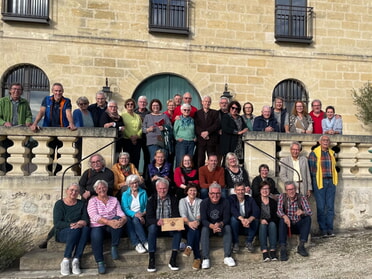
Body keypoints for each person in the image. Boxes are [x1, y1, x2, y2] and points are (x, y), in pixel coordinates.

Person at [87, 180, 127, 274]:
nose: (102, 189)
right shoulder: (92, 201)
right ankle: (100, 262)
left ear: (107, 188)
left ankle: (114, 247)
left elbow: (120, 213)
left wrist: (124, 219)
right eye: (99, 188)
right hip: (98, 225)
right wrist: (108, 222)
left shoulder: (114, 199)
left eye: (103, 187)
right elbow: (94, 216)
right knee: (96, 236)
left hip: (111, 226)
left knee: (118, 219)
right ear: (96, 191)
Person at [146, 178, 182, 272]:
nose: (162, 190)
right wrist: (156, 221)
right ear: (156, 188)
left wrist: (175, 224)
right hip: (157, 227)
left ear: (168, 188)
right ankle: (152, 258)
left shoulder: (173, 199)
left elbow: (176, 214)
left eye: (164, 188)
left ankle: (173, 258)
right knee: (152, 228)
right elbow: (148, 218)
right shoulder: (151, 199)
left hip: (169, 227)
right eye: (160, 188)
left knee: (178, 230)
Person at [53, 183, 90, 275]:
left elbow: (86, 219)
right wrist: (71, 224)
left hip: (79, 229)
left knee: (86, 229)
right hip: (62, 231)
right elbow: (57, 223)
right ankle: (66, 260)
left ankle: (76, 259)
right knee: (75, 230)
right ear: (67, 191)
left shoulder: (81, 204)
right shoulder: (59, 204)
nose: (74, 192)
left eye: (76, 191)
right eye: (71, 190)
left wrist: (82, 222)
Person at [200, 183, 236, 269]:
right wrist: (212, 226)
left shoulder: (225, 202)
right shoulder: (204, 203)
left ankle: (227, 256)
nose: (215, 195)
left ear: (220, 193)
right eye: (213, 193)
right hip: (209, 227)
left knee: (227, 227)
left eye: (217, 193)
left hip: (221, 227)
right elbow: (203, 220)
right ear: (209, 194)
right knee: (204, 229)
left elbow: (227, 218)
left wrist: (219, 224)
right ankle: (205, 258)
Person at [308, 135, 338, 237]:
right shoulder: (314, 153)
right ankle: (323, 229)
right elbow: (312, 171)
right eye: (324, 140)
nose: (326, 142)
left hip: (331, 181)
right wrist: (312, 186)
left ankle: (330, 228)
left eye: (327, 140)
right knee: (321, 207)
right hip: (319, 182)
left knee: (330, 207)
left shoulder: (332, 153)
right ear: (320, 142)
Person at [277, 181, 312, 261]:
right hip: (288, 224)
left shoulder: (301, 197)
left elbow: (309, 211)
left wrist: (302, 212)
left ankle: (301, 245)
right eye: (289, 190)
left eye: (292, 189)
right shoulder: (282, 197)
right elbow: (279, 211)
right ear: (286, 191)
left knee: (307, 218)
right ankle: (283, 248)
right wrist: (284, 216)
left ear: (295, 189)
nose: (291, 191)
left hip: (298, 223)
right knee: (282, 221)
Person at [121, 174, 148, 254]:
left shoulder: (143, 192)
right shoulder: (125, 194)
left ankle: (144, 243)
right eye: (132, 183)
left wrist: (142, 214)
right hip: (129, 214)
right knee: (129, 221)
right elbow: (125, 208)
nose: (135, 185)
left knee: (136, 220)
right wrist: (135, 214)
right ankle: (138, 243)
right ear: (129, 184)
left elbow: (147, 206)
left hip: (141, 214)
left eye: (136, 182)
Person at [229, 184, 259, 254]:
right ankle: (235, 243)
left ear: (245, 190)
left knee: (256, 220)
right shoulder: (231, 199)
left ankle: (249, 242)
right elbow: (233, 210)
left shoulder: (250, 199)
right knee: (233, 219)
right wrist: (242, 219)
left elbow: (256, 211)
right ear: (235, 191)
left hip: (247, 226)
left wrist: (248, 220)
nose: (240, 192)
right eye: (238, 190)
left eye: (242, 189)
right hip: (236, 226)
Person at [178, 183, 202, 270]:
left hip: (196, 224)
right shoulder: (182, 201)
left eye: (194, 190)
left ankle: (189, 247)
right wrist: (189, 223)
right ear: (187, 192)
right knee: (194, 231)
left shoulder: (200, 201)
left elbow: (199, 215)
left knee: (195, 230)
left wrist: (197, 222)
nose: (193, 192)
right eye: (191, 190)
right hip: (186, 226)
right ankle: (197, 258)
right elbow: (183, 215)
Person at [254, 181, 280, 262]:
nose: (265, 191)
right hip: (259, 223)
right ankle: (264, 252)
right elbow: (253, 214)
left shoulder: (273, 202)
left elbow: (276, 217)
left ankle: (273, 251)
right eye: (263, 189)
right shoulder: (255, 201)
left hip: (271, 221)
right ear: (260, 190)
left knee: (272, 224)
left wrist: (267, 220)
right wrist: (261, 220)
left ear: (269, 190)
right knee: (262, 225)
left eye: (267, 189)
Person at [194, 95, 220, 168]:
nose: (207, 103)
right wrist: (202, 133)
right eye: (205, 101)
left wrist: (208, 132)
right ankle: (200, 177)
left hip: (211, 139)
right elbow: (196, 125)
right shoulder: (197, 113)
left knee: (212, 160)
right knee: (200, 160)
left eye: (209, 102)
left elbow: (216, 125)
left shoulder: (215, 113)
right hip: (201, 140)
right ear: (202, 102)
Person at [121, 98, 142, 168]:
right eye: (128, 104)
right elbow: (123, 128)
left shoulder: (138, 116)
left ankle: (135, 175)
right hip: (127, 140)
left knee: (136, 159)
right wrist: (131, 137)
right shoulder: (123, 116)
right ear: (125, 106)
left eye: (132, 104)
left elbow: (141, 127)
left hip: (137, 140)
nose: (130, 105)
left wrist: (137, 136)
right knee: (127, 159)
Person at [174, 103, 196, 167]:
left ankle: (188, 176)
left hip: (191, 142)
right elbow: (174, 131)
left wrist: (195, 137)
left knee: (190, 161)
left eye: (188, 110)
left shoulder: (192, 120)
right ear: (181, 111)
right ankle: (178, 176)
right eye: (185, 110)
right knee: (180, 160)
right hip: (181, 142)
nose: (186, 111)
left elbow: (195, 130)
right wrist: (177, 138)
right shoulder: (178, 120)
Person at [134, 96, 151, 175]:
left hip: (146, 137)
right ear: (138, 103)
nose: (142, 103)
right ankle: (135, 175)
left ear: (147, 103)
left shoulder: (149, 113)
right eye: (141, 102)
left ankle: (145, 176)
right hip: (136, 138)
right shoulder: (133, 112)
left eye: (144, 102)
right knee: (136, 157)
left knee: (147, 158)